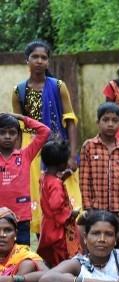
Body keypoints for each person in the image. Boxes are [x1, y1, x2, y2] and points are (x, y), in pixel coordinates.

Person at [12, 40, 82, 237]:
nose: (39, 61)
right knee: (37, 195)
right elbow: (19, 128)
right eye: (35, 57)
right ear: (27, 60)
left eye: (43, 57)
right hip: (33, 152)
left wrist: (72, 154)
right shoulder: (19, 91)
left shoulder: (59, 86)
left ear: (48, 61)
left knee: (66, 194)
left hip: (58, 148)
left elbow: (70, 120)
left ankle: (70, 241)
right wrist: (17, 158)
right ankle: (42, 242)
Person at [0, 112, 50, 245]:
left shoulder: (25, 156)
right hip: (0, 218)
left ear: (18, 136)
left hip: (21, 217)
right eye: (2, 132)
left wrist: (21, 118)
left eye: (12, 133)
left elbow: (45, 131)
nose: (7, 136)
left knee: (22, 254)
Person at [80, 102, 119, 218]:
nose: (110, 124)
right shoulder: (89, 146)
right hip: (96, 208)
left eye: (115, 121)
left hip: (118, 208)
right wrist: (88, 207)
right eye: (105, 120)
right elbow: (84, 180)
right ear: (98, 123)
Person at [37, 141, 80, 267]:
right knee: (61, 257)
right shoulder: (56, 184)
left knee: (50, 257)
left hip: (47, 225)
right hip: (57, 229)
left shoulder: (44, 178)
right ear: (61, 164)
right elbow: (56, 206)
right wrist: (71, 214)